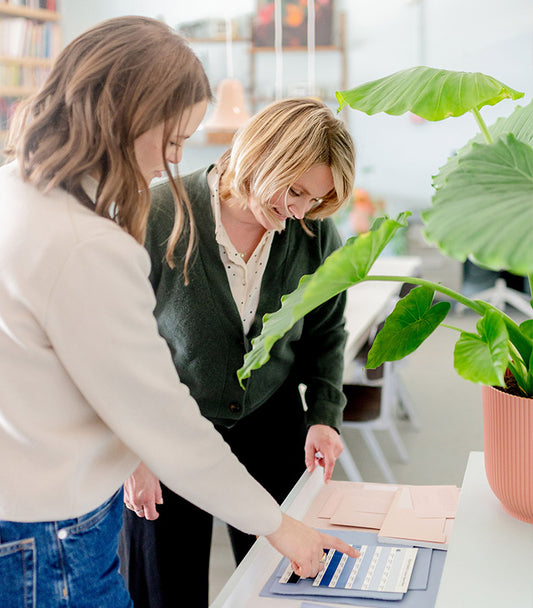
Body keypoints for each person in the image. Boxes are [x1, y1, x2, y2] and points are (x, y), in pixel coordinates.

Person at [0, 17, 357, 608]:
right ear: (130, 118)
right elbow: (158, 413)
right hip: (59, 523)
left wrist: (322, 411)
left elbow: (326, 330)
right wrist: (283, 527)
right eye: (174, 140)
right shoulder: (112, 231)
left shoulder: (17, 190)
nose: (171, 160)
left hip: (47, 506)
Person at [119, 97, 356, 607]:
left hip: (270, 419)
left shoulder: (312, 234)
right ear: (261, 154)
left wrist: (324, 416)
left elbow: (326, 333)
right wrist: (131, 452)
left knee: (283, 579)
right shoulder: (157, 215)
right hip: (167, 429)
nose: (298, 211)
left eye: (315, 200)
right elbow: (112, 347)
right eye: (293, 190)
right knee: (164, 587)